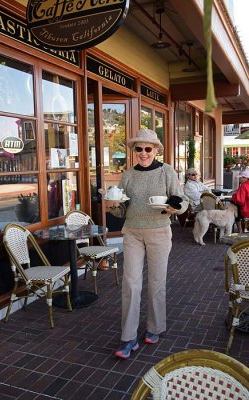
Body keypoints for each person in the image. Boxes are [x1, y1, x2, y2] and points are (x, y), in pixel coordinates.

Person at [106, 128, 189, 359]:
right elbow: (122, 209)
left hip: (159, 231)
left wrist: (175, 207)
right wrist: (113, 205)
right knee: (131, 284)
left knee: (156, 282)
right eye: (139, 149)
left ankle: (155, 326)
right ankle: (128, 337)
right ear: (134, 151)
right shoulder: (128, 175)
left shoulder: (166, 171)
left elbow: (181, 200)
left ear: (156, 150)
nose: (143, 153)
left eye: (148, 148)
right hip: (132, 231)